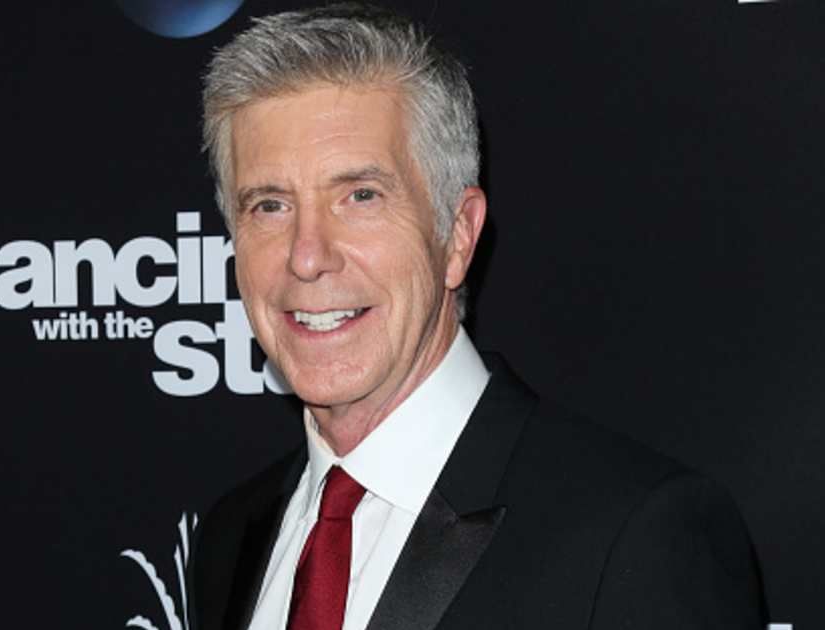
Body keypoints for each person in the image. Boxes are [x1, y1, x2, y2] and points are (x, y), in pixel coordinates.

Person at [191, 4, 767, 629]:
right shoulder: (230, 540)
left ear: (458, 235)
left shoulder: (635, 535)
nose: (307, 257)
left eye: (360, 196)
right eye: (270, 206)